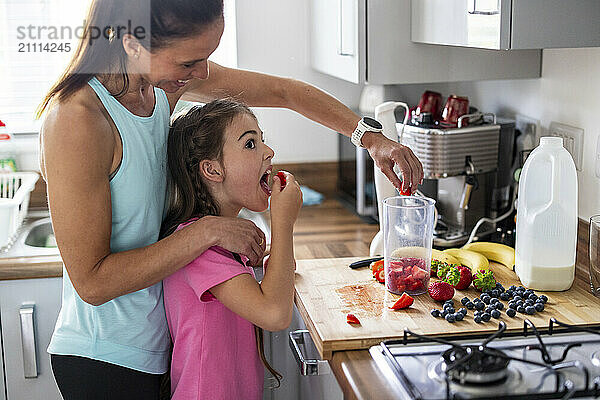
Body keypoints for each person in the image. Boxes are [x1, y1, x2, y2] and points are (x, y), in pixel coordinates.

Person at [37, 0, 423, 398]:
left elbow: (283, 91)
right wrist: (207, 232)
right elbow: (93, 283)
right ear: (133, 43)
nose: (201, 74)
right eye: (189, 62)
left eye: (207, 58)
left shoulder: (158, 87)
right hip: (104, 361)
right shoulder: (77, 118)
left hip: (158, 350)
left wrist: (372, 139)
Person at [161, 99, 301, 400]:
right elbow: (274, 313)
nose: (268, 152)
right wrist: (283, 222)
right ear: (212, 169)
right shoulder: (199, 248)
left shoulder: (225, 240)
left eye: (262, 140)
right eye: (250, 144)